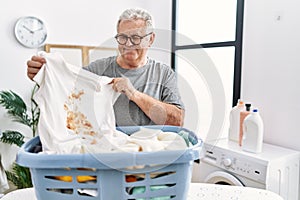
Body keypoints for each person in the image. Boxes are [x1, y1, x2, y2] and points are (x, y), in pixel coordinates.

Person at [27, 8, 184, 127]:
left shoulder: (163, 74)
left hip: (151, 158)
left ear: (150, 39)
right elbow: (65, 94)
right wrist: (43, 75)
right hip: (105, 158)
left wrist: (133, 94)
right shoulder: (96, 70)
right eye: (122, 37)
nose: (128, 45)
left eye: (136, 38)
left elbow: (176, 121)